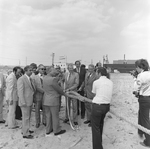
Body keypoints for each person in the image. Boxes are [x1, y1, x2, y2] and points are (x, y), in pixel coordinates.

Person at [77, 67, 113, 149]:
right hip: (106, 106)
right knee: (100, 124)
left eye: (97, 72)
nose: (96, 74)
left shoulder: (96, 82)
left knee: (95, 128)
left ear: (99, 73)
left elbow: (94, 93)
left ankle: (97, 147)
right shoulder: (110, 82)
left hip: (97, 106)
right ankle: (99, 142)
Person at [43, 66, 67, 136]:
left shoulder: (45, 78)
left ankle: (48, 129)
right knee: (55, 116)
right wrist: (63, 92)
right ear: (50, 71)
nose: (55, 71)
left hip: (46, 100)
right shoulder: (52, 79)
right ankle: (56, 130)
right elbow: (59, 89)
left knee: (48, 116)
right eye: (54, 70)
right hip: (53, 100)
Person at [133, 59, 150, 147]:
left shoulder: (141, 75)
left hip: (144, 99)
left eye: (137, 67)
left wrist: (135, 78)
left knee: (145, 119)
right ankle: (140, 131)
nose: (136, 69)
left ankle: (148, 141)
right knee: (142, 115)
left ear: (140, 67)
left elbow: (135, 89)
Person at [17, 65, 36, 139]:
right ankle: (26, 134)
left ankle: (25, 129)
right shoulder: (21, 79)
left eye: (32, 70)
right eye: (30, 70)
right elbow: (20, 92)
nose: (31, 71)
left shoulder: (30, 79)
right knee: (26, 118)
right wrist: (23, 102)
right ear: (26, 71)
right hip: (25, 102)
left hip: (29, 101)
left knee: (27, 117)